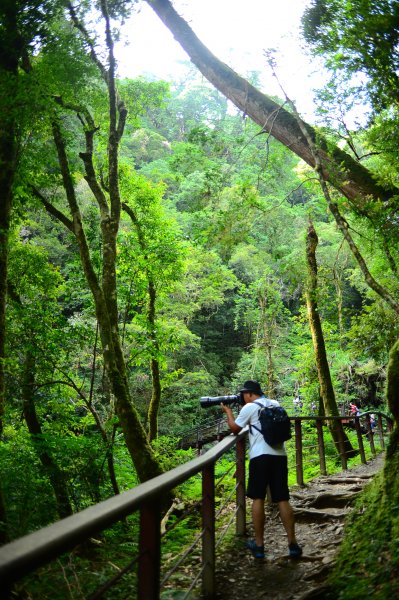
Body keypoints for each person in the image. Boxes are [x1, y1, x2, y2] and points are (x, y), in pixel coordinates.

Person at [221, 380, 302, 559]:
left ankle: (259, 545)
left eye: (243, 395)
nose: (242, 398)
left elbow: (235, 429)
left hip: (260, 457)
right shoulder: (275, 404)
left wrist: (228, 412)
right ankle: (293, 544)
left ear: (249, 394)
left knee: (257, 498)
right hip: (280, 455)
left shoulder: (249, 408)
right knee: (282, 498)